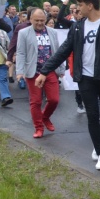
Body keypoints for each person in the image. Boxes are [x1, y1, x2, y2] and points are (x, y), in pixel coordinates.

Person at [37, 0, 100, 171]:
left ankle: (98, 143)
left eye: (80, 5)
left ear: (90, 5)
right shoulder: (77, 27)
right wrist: (45, 71)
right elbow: (63, 51)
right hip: (85, 79)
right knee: (92, 115)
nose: (77, 9)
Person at [15, 9, 63, 137]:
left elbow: (58, 52)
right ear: (30, 20)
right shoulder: (24, 33)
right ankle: (38, 127)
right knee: (36, 101)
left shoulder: (52, 32)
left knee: (54, 100)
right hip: (33, 72)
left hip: (49, 71)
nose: (40, 23)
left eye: (42, 20)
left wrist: (61, 69)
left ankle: (45, 117)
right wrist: (19, 71)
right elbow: (20, 52)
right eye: (37, 20)